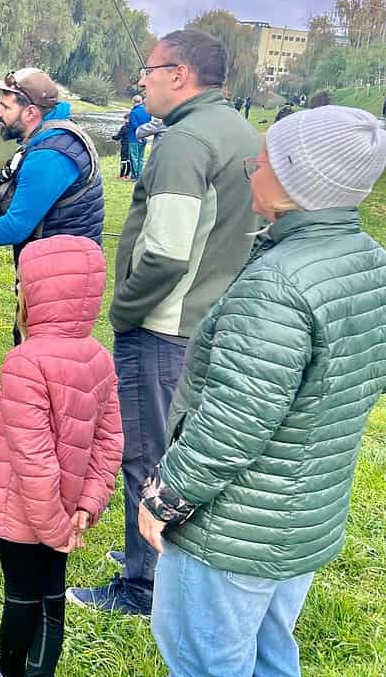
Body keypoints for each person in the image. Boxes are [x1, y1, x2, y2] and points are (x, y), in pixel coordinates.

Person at [140, 106, 386, 677]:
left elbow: (233, 422)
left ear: (297, 181)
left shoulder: (278, 285)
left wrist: (165, 498)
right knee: (271, 650)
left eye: (265, 161)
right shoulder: (369, 261)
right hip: (305, 515)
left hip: (234, 530)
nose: (252, 170)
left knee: (206, 658)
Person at [67, 28, 261, 616]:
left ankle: (142, 588)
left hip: (163, 327)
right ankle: (150, 557)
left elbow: (167, 252)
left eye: (148, 71)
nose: (141, 81)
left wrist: (124, 306)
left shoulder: (184, 141)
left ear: (180, 75)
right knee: (179, 450)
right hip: (211, 322)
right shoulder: (243, 133)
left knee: (147, 454)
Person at [0, 235, 123, 677]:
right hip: (69, 513)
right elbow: (111, 442)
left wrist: (51, 528)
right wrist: (88, 504)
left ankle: (9, 672)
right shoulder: (100, 357)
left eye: (21, 285)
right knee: (52, 594)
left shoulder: (24, 362)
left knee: (20, 596)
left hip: (26, 514)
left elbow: (33, 460)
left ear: (33, 295)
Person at [0, 68, 104, 345]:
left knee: (42, 354)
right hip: (54, 268)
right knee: (33, 346)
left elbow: (14, 227)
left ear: (31, 112)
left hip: (61, 279)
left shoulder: (51, 154)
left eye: (5, 106)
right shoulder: (49, 137)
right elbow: (25, 192)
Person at [125, 95, 152, 179]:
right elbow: (149, 123)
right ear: (141, 101)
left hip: (134, 137)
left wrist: (139, 133)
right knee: (141, 157)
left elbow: (134, 125)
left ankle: (134, 176)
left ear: (133, 101)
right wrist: (144, 133)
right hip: (144, 137)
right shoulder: (147, 111)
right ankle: (140, 175)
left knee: (134, 157)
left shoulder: (133, 112)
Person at [112, 110, 132, 179]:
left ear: (126, 119)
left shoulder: (124, 127)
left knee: (123, 160)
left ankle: (121, 176)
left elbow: (118, 137)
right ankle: (127, 175)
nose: (124, 121)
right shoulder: (134, 127)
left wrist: (112, 137)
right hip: (132, 145)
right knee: (129, 160)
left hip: (125, 145)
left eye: (124, 119)